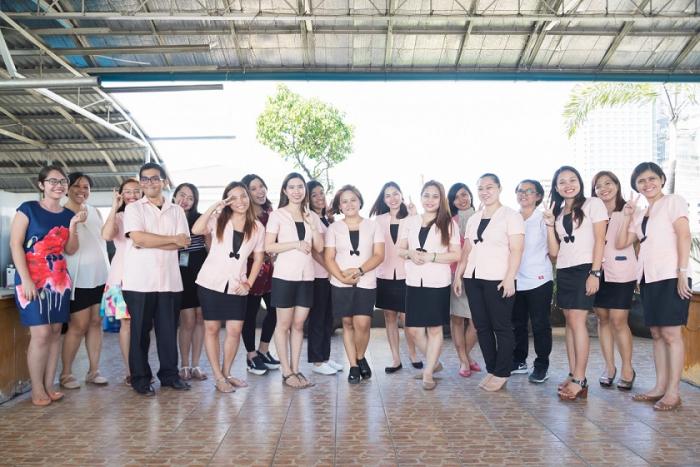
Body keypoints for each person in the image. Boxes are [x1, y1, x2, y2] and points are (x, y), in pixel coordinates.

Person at [617, 162, 692, 411]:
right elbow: (622, 242)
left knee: (671, 334)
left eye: (652, 178)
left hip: (671, 274)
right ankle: (659, 387)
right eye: (641, 181)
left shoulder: (673, 201)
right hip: (648, 278)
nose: (647, 184)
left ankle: (673, 392)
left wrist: (682, 272)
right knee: (657, 334)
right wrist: (626, 215)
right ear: (636, 186)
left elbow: (684, 235)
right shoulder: (640, 214)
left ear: (661, 179)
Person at [10, 165, 82, 406]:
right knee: (41, 333)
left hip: (59, 279)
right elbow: (15, 244)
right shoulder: (28, 209)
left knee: (54, 332)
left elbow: (71, 249)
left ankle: (49, 385)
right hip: (31, 277)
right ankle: (37, 388)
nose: (58, 185)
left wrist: (73, 226)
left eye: (62, 181)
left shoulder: (68, 215)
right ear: (41, 185)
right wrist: (26, 279)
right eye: (52, 181)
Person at [122, 162, 192, 396]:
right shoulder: (134, 209)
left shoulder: (177, 210)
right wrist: (170, 240)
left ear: (164, 181)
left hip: (170, 281)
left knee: (168, 332)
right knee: (139, 333)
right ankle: (140, 379)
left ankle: (170, 376)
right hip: (139, 281)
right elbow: (139, 239)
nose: (149, 183)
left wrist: (152, 241)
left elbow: (183, 242)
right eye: (145, 179)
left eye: (154, 178)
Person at [454, 173, 525, 392]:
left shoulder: (511, 216)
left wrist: (510, 277)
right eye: (481, 188)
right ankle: (492, 369)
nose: (485, 192)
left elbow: (517, 249)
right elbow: (467, 250)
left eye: (489, 187)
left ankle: (503, 371)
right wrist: (458, 275)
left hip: (498, 279)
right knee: (481, 326)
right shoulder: (474, 218)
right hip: (473, 278)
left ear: (499, 188)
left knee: (501, 327)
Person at [193, 182, 265, 393]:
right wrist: (215, 207)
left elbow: (258, 258)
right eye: (233, 198)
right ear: (227, 201)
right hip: (210, 282)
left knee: (234, 330)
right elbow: (196, 229)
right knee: (212, 329)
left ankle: (227, 373)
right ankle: (218, 377)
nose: (240, 201)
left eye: (243, 196)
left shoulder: (257, 227)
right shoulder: (218, 219)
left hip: (237, 284)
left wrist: (248, 283)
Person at [544, 166, 607, 401]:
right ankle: (573, 373)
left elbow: (600, 240)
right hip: (564, 270)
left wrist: (595, 273)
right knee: (570, 323)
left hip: (585, 268)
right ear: (556, 187)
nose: (568, 185)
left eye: (572, 180)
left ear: (580, 182)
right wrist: (549, 224)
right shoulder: (558, 212)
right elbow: (554, 252)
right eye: (562, 182)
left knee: (578, 321)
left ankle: (580, 379)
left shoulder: (593, 204)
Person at [398, 181, 461, 390]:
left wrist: (431, 257)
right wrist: (410, 253)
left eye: (435, 196)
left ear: (441, 199)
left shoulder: (449, 224)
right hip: (414, 281)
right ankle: (435, 363)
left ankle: (428, 372)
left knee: (434, 329)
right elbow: (399, 250)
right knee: (414, 330)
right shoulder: (409, 221)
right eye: (426, 195)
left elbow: (456, 254)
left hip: (437, 283)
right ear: (421, 197)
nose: (430, 200)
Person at [265, 172, 324, 389]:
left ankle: (296, 369)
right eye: (292, 187)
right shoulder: (277, 215)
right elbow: (268, 246)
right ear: (285, 191)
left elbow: (319, 247)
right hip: (284, 277)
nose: (297, 191)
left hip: (306, 277)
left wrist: (313, 225)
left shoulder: (311, 215)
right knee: (283, 325)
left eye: (300, 187)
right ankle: (286, 371)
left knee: (298, 325)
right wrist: (295, 244)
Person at [325, 185, 385, 383]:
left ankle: (360, 356)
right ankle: (353, 365)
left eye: (353, 199)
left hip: (366, 280)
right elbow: (329, 257)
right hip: (340, 281)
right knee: (348, 323)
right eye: (344, 201)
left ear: (360, 201)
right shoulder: (333, 228)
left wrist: (359, 271)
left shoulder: (373, 226)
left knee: (363, 324)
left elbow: (379, 255)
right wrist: (342, 277)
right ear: (339, 206)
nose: (349, 204)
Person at [61, 172, 110, 389]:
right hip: (77, 277)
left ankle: (94, 371)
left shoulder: (95, 211)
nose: (82, 190)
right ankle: (66, 374)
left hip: (100, 276)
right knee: (78, 325)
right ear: (67, 188)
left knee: (96, 322)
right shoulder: (61, 213)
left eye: (86, 187)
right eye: (77, 186)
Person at [591, 171, 637, 390]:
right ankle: (609, 367)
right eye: (598, 186)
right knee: (603, 318)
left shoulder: (630, 209)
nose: (604, 188)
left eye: (608, 183)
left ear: (617, 185)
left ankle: (627, 368)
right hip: (597, 271)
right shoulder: (591, 213)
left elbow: (628, 242)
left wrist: (626, 216)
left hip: (622, 271)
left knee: (619, 319)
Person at [370, 182, 421, 373]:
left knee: (408, 318)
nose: (392, 198)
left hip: (407, 275)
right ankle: (395, 359)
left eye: (395, 194)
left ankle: (413, 354)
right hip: (384, 274)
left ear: (402, 195)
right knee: (389, 317)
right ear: (383, 200)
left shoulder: (412, 218)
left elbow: (420, 240)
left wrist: (415, 215)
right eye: (388, 195)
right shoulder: (378, 220)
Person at [101, 178, 142, 385]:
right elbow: (107, 235)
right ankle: (130, 370)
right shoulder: (118, 216)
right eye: (128, 191)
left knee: (142, 325)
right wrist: (114, 207)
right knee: (127, 323)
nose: (132, 195)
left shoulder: (148, 214)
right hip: (121, 277)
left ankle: (142, 367)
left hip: (146, 277)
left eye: (136, 191)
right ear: (121, 194)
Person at [512, 180, 554, 384]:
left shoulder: (543, 218)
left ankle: (541, 365)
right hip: (515, 280)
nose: (524, 194)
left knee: (540, 325)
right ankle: (519, 361)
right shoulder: (512, 218)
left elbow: (553, 250)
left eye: (529, 191)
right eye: (520, 190)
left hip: (539, 280)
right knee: (517, 324)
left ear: (538, 196)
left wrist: (550, 224)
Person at [241, 174, 280, 375]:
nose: (260, 191)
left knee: (275, 310)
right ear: (246, 193)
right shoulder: (242, 216)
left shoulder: (271, 212)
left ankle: (263, 350)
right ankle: (251, 355)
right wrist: (260, 254)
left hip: (270, 272)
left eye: (261, 186)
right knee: (249, 314)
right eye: (254, 188)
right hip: (249, 271)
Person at [307, 180, 343, 376]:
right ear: (308, 199)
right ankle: (317, 361)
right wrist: (329, 268)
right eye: (314, 195)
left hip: (329, 276)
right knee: (318, 318)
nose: (320, 197)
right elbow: (315, 250)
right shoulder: (311, 217)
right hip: (319, 275)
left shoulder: (325, 218)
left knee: (328, 317)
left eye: (321, 193)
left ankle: (325, 357)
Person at [173, 183, 208, 382]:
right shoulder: (168, 217)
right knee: (187, 320)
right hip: (180, 272)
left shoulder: (200, 219)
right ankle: (184, 365)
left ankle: (196, 365)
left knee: (201, 318)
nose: (184, 200)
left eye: (190, 198)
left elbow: (209, 245)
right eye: (181, 195)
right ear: (174, 196)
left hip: (201, 271)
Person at [447, 182, 481, 378]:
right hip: (456, 275)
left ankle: (466, 356)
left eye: (464, 194)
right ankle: (463, 360)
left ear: (470, 195)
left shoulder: (482, 215)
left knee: (477, 321)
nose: (461, 199)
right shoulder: (449, 222)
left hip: (479, 274)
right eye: (456, 197)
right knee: (458, 319)